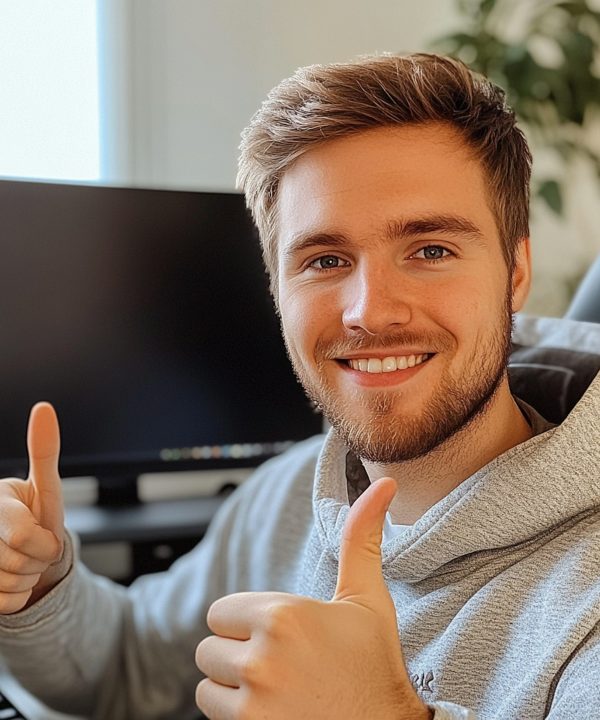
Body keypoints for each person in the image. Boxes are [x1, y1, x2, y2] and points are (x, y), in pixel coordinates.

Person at [0, 52, 599, 720]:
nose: (371, 311)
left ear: (515, 270)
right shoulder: (285, 495)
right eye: (325, 260)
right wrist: (40, 583)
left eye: (430, 250)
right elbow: (128, 665)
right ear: (277, 292)